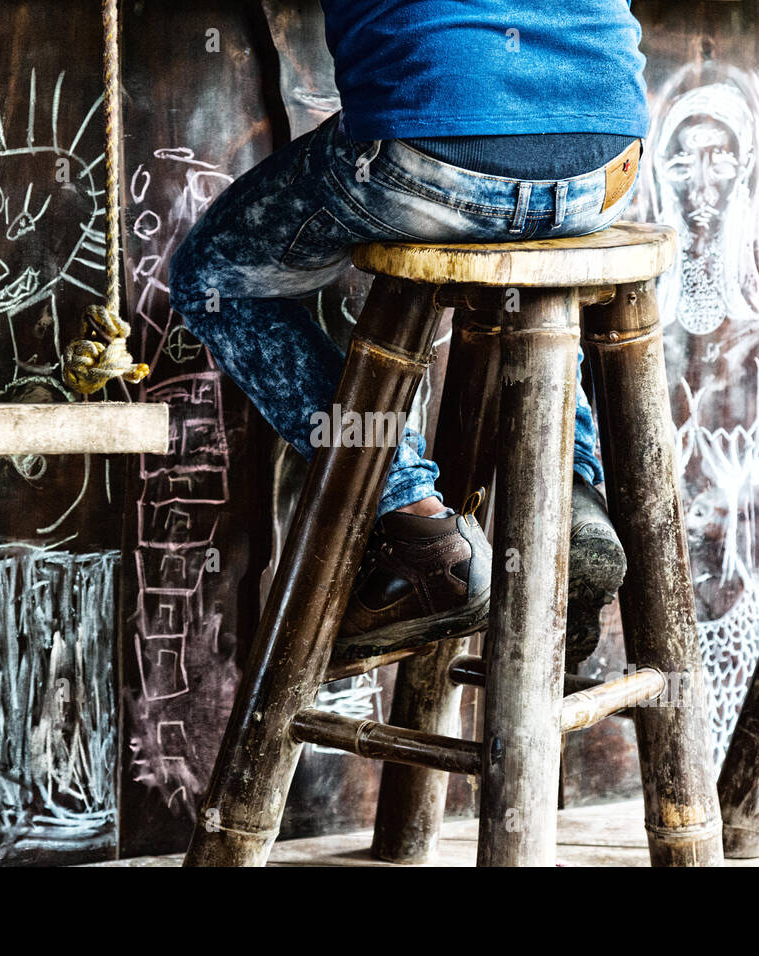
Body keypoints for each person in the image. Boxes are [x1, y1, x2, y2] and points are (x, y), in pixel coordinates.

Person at [170, 1, 648, 666]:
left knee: (212, 276)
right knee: (512, 249)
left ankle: (418, 527)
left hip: (435, 155)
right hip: (606, 167)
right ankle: (569, 494)